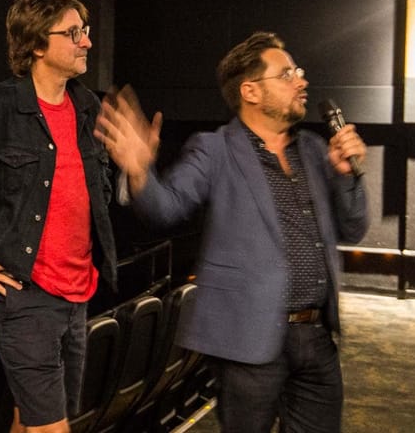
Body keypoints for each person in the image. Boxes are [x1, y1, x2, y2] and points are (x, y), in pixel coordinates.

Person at [94, 31, 368, 432]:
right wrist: (139, 171)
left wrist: (348, 176)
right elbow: (164, 208)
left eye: (299, 72)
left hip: (316, 339)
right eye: (287, 73)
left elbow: (355, 228)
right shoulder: (215, 149)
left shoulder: (312, 148)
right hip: (247, 341)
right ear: (251, 91)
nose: (302, 80)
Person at [0, 0, 118, 433]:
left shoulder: (88, 108)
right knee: (52, 428)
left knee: (31, 419)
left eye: (85, 31)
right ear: (37, 45)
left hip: (77, 293)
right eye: (74, 33)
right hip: (23, 293)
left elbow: (93, 194)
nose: (86, 42)